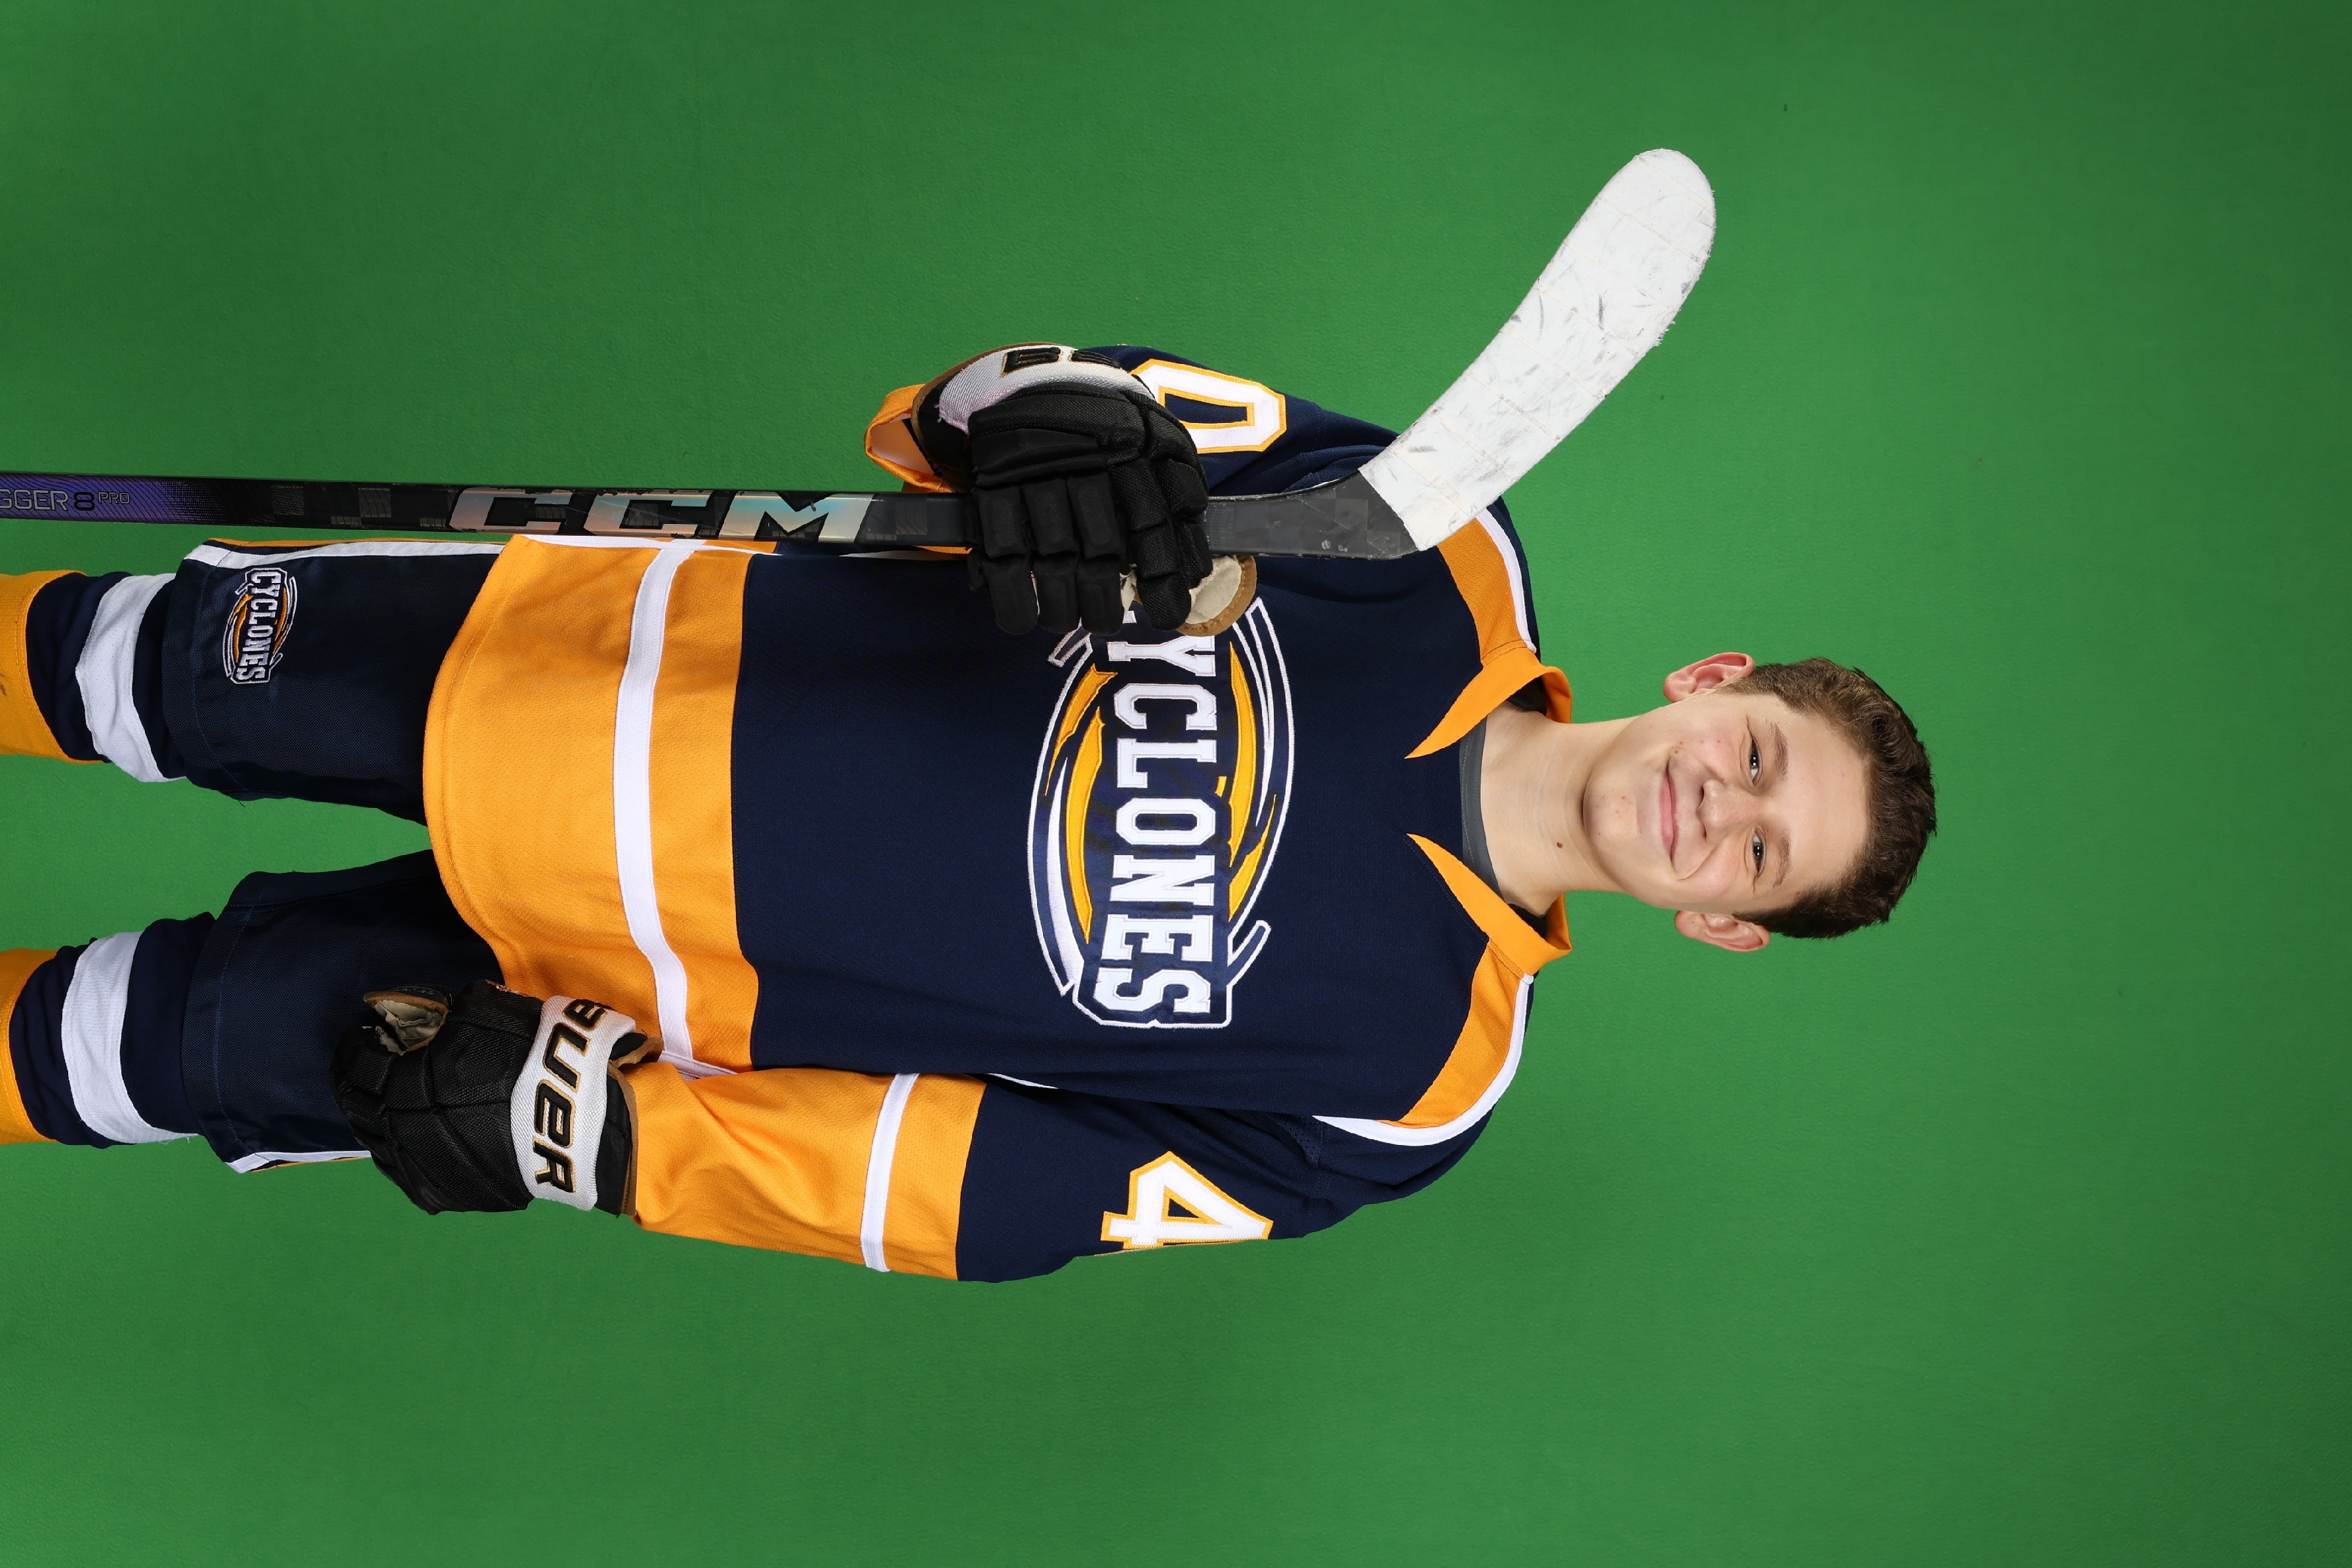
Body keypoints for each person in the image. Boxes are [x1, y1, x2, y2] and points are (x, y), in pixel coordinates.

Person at [0, 344, 1936, 1281]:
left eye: (1760, 855)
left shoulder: (1410, 1088)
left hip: (617, 986)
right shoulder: (1434, 542)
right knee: (123, 664)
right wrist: (1049, 428)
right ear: (1718, 680)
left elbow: (972, 1181)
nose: (1719, 806)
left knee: (133, 1044)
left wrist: (617, 1145)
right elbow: (990, 398)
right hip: (602, 660)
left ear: (1723, 923)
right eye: (1761, 752)